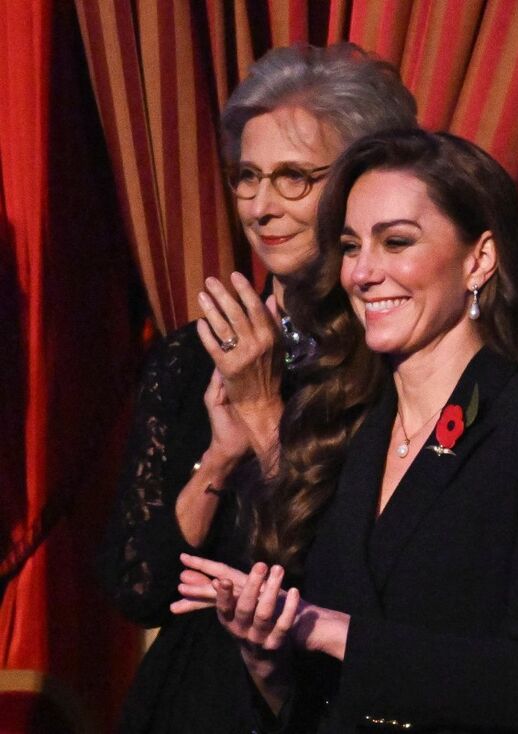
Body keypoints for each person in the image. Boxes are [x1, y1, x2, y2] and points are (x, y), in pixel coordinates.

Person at [171, 131, 518, 733]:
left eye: (396, 242)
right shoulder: (339, 423)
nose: (364, 272)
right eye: (351, 247)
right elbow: (305, 704)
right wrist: (265, 651)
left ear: (479, 259)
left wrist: (329, 630)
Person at [97, 44, 417, 733]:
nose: (262, 206)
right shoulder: (193, 356)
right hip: (185, 704)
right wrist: (217, 458)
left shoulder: (396, 360)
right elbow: (138, 588)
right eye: (248, 177)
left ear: (363, 183)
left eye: (294, 178)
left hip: (313, 707)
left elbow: (353, 584)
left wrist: (264, 411)